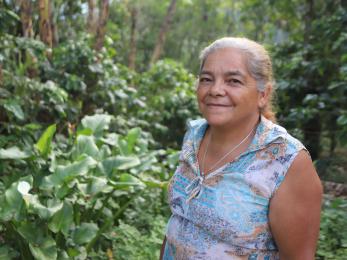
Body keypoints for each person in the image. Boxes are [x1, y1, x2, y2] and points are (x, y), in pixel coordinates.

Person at [160, 37, 322, 260]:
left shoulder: (287, 161)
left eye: (233, 81)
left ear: (263, 94)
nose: (215, 90)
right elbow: (178, 223)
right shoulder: (194, 135)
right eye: (207, 79)